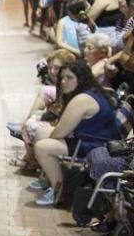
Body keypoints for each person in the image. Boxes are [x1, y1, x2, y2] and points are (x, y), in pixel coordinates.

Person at [32, 60, 118, 207]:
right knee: (41, 132)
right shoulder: (89, 92)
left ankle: (59, 192)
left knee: (42, 147)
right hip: (91, 139)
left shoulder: (82, 99)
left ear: (81, 78)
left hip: (95, 146)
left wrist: (51, 136)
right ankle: (48, 178)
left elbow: (60, 132)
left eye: (69, 78)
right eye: (62, 78)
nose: (64, 82)